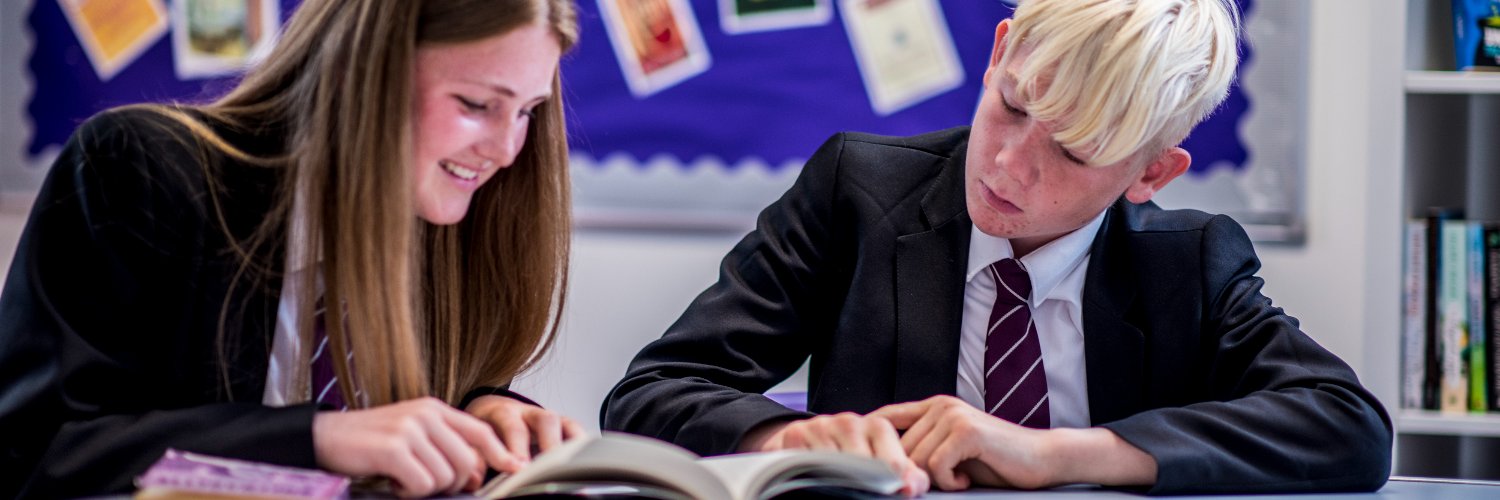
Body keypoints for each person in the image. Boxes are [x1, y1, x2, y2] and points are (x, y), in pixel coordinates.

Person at [602, 0, 1392, 495]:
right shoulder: (857, 195)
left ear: (1151, 172)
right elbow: (651, 394)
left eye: (1075, 154)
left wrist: (1059, 456)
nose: (1009, 165)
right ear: (998, 53)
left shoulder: (1188, 264)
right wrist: (791, 435)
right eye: (1013, 106)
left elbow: (1348, 426)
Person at [0, 1, 582, 498]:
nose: (507, 150)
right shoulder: (139, 171)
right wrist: (317, 440)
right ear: (365, 71)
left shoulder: (443, 229)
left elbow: (409, 426)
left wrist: (479, 411)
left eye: (528, 112)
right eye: (477, 104)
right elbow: (33, 457)